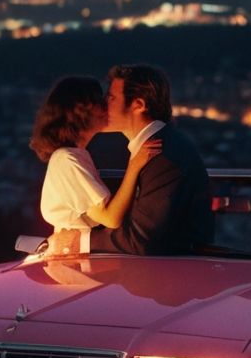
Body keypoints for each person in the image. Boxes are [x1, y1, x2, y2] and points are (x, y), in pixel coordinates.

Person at [48, 64, 213, 256]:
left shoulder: (163, 157)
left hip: (173, 272)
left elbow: (143, 239)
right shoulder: (161, 146)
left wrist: (80, 241)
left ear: (138, 105)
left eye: (111, 97)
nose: (102, 104)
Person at [30, 76, 161, 235]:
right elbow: (110, 218)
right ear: (79, 111)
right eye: (98, 101)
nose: (106, 107)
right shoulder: (68, 159)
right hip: (75, 256)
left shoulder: (71, 157)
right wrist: (135, 165)